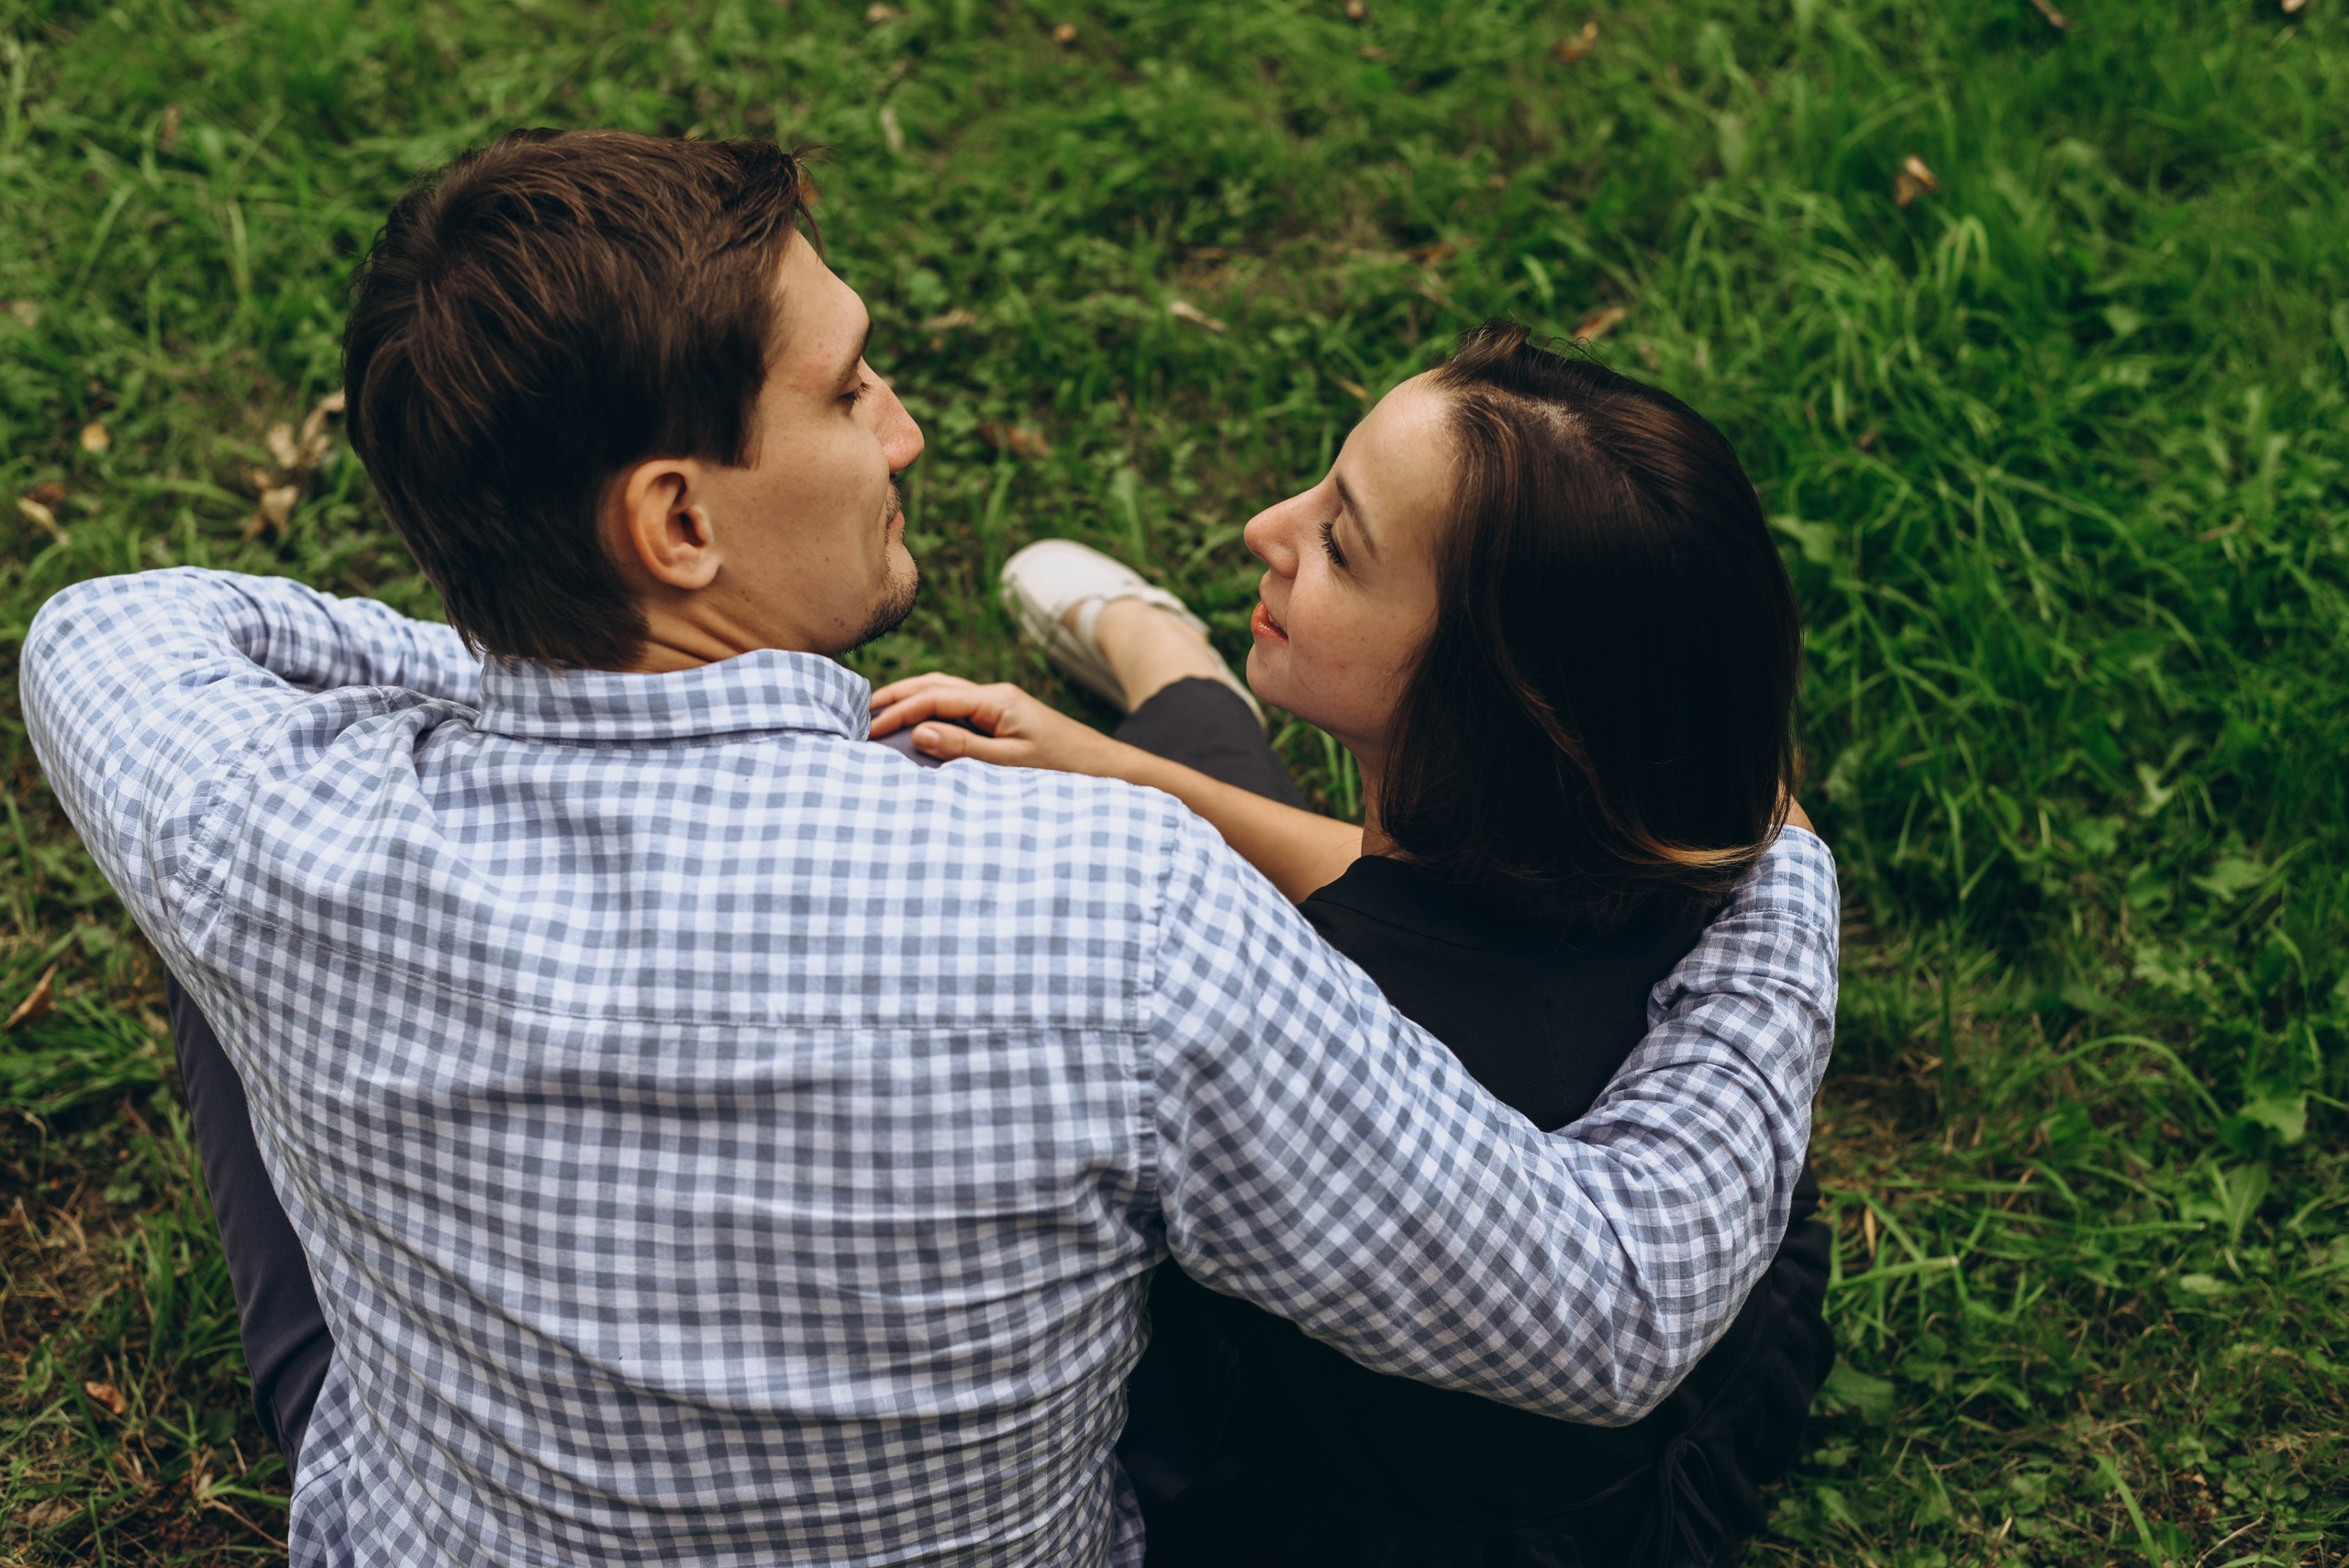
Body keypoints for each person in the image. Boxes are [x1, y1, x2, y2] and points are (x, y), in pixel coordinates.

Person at [19, 130, 1837, 1567]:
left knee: (223, 943)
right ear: (674, 522)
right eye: (847, 390)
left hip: (426, 1527)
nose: (904, 424)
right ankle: (1161, 666)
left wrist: (520, 673)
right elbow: (1597, 1309)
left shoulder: (275, 824)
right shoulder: (1107, 911)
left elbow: (104, 626)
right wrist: (1774, 898)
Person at [868, 323, 1834, 1566]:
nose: (1269, 525)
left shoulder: (1302, 1002)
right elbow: (1401, 888)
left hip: (1396, 1505)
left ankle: (1167, 657)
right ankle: (1155, 659)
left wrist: (1126, 798)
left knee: (1205, 784)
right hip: (1709, 1397)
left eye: (1338, 540)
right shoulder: (1660, 832)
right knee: (1198, 787)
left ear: (1485, 688)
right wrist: (1109, 766)